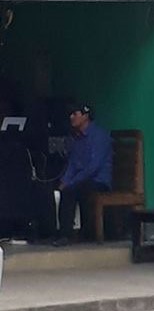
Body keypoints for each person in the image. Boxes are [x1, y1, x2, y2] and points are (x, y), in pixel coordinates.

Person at [52, 104, 112, 247]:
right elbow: (73, 164)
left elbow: (93, 167)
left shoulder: (99, 136)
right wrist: (64, 180)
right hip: (82, 181)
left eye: (75, 114)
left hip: (98, 181)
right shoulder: (76, 138)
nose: (71, 117)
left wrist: (71, 182)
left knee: (71, 191)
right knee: (62, 189)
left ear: (85, 116)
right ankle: (58, 231)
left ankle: (66, 234)